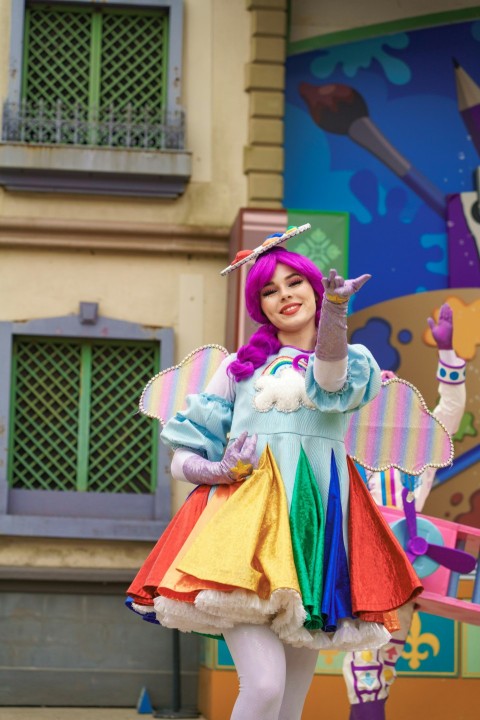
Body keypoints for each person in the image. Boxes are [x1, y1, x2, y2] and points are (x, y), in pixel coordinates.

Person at [127, 234, 421, 720]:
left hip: (314, 538)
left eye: (295, 282)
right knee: (264, 687)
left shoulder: (352, 363)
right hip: (241, 541)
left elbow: (328, 383)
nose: (284, 295)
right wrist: (216, 469)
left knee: (289, 704)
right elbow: (180, 456)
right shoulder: (238, 368)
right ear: (259, 306)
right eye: (269, 290)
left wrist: (336, 314)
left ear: (316, 288)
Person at [342, 302, 466, 720]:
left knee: (383, 663)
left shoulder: (421, 457)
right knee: (363, 666)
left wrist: (448, 355)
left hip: (407, 574)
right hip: (360, 572)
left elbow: (450, 408)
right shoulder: (346, 454)